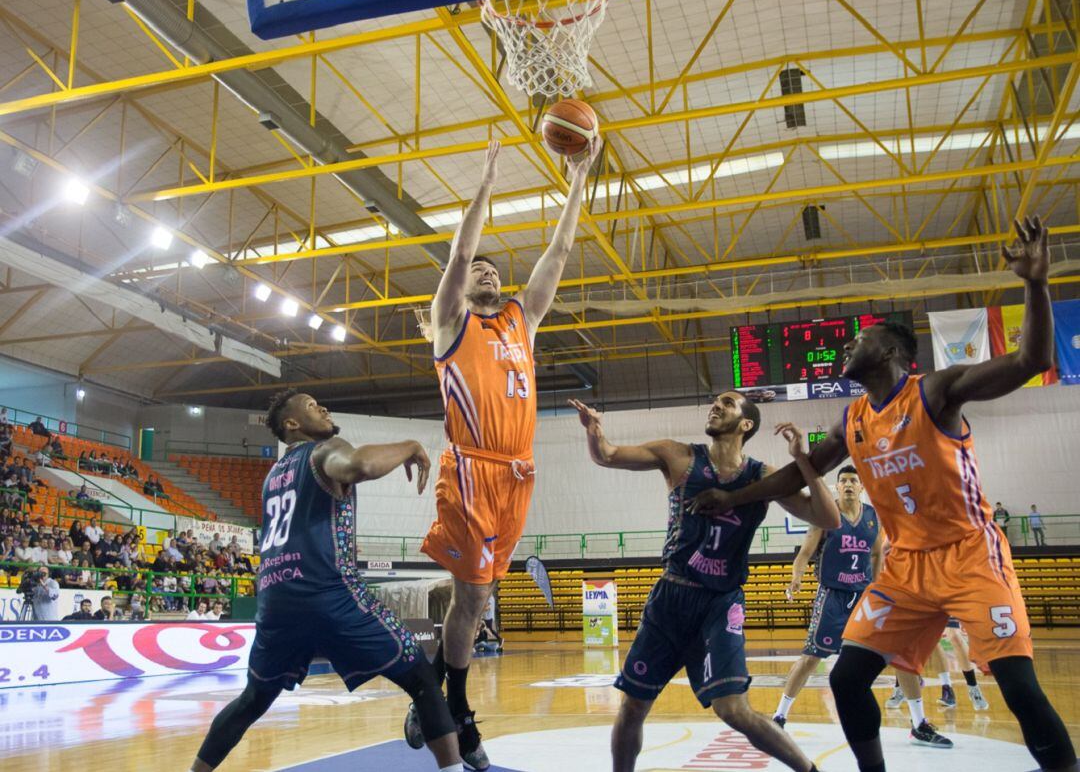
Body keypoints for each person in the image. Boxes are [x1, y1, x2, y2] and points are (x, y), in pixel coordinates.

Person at [692, 217, 1077, 772]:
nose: (848, 344)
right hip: (904, 568)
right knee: (848, 678)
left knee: (1019, 688)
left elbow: (1030, 362)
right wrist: (733, 498)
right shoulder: (852, 418)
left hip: (970, 554)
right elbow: (797, 478)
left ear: (894, 351)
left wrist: (1036, 284)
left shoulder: (936, 392)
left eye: (861, 338)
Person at [405, 138, 601, 770]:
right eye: (478, 271)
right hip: (468, 469)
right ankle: (456, 714)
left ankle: (437, 698)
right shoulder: (449, 322)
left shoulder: (522, 320)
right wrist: (485, 183)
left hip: (518, 474)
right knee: (471, 599)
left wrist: (579, 178)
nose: (487, 271)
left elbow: (561, 249)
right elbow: (461, 250)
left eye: (495, 269)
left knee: (478, 603)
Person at [189, 389, 462, 772]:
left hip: (275, 601)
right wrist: (411, 445)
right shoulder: (323, 451)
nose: (324, 408)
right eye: (314, 406)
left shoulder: (272, 477)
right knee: (422, 679)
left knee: (253, 698)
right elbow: (358, 466)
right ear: (292, 424)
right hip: (327, 592)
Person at [572, 394, 840, 772]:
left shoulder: (762, 476)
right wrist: (594, 429)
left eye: (727, 403)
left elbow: (828, 519)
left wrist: (802, 459)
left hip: (720, 603)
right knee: (632, 706)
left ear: (746, 424)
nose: (715, 406)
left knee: (735, 711)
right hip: (672, 596)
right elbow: (608, 455)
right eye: (714, 402)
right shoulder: (678, 455)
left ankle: (810, 771)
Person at [771, 467, 954, 745]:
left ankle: (919, 723)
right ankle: (779, 717)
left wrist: (879, 585)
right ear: (836, 487)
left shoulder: (872, 517)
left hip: (867, 598)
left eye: (853, 481)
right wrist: (796, 577)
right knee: (811, 657)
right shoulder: (826, 515)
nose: (847, 485)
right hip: (833, 594)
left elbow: (878, 552)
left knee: (899, 655)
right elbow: (806, 551)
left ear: (861, 488)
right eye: (843, 481)